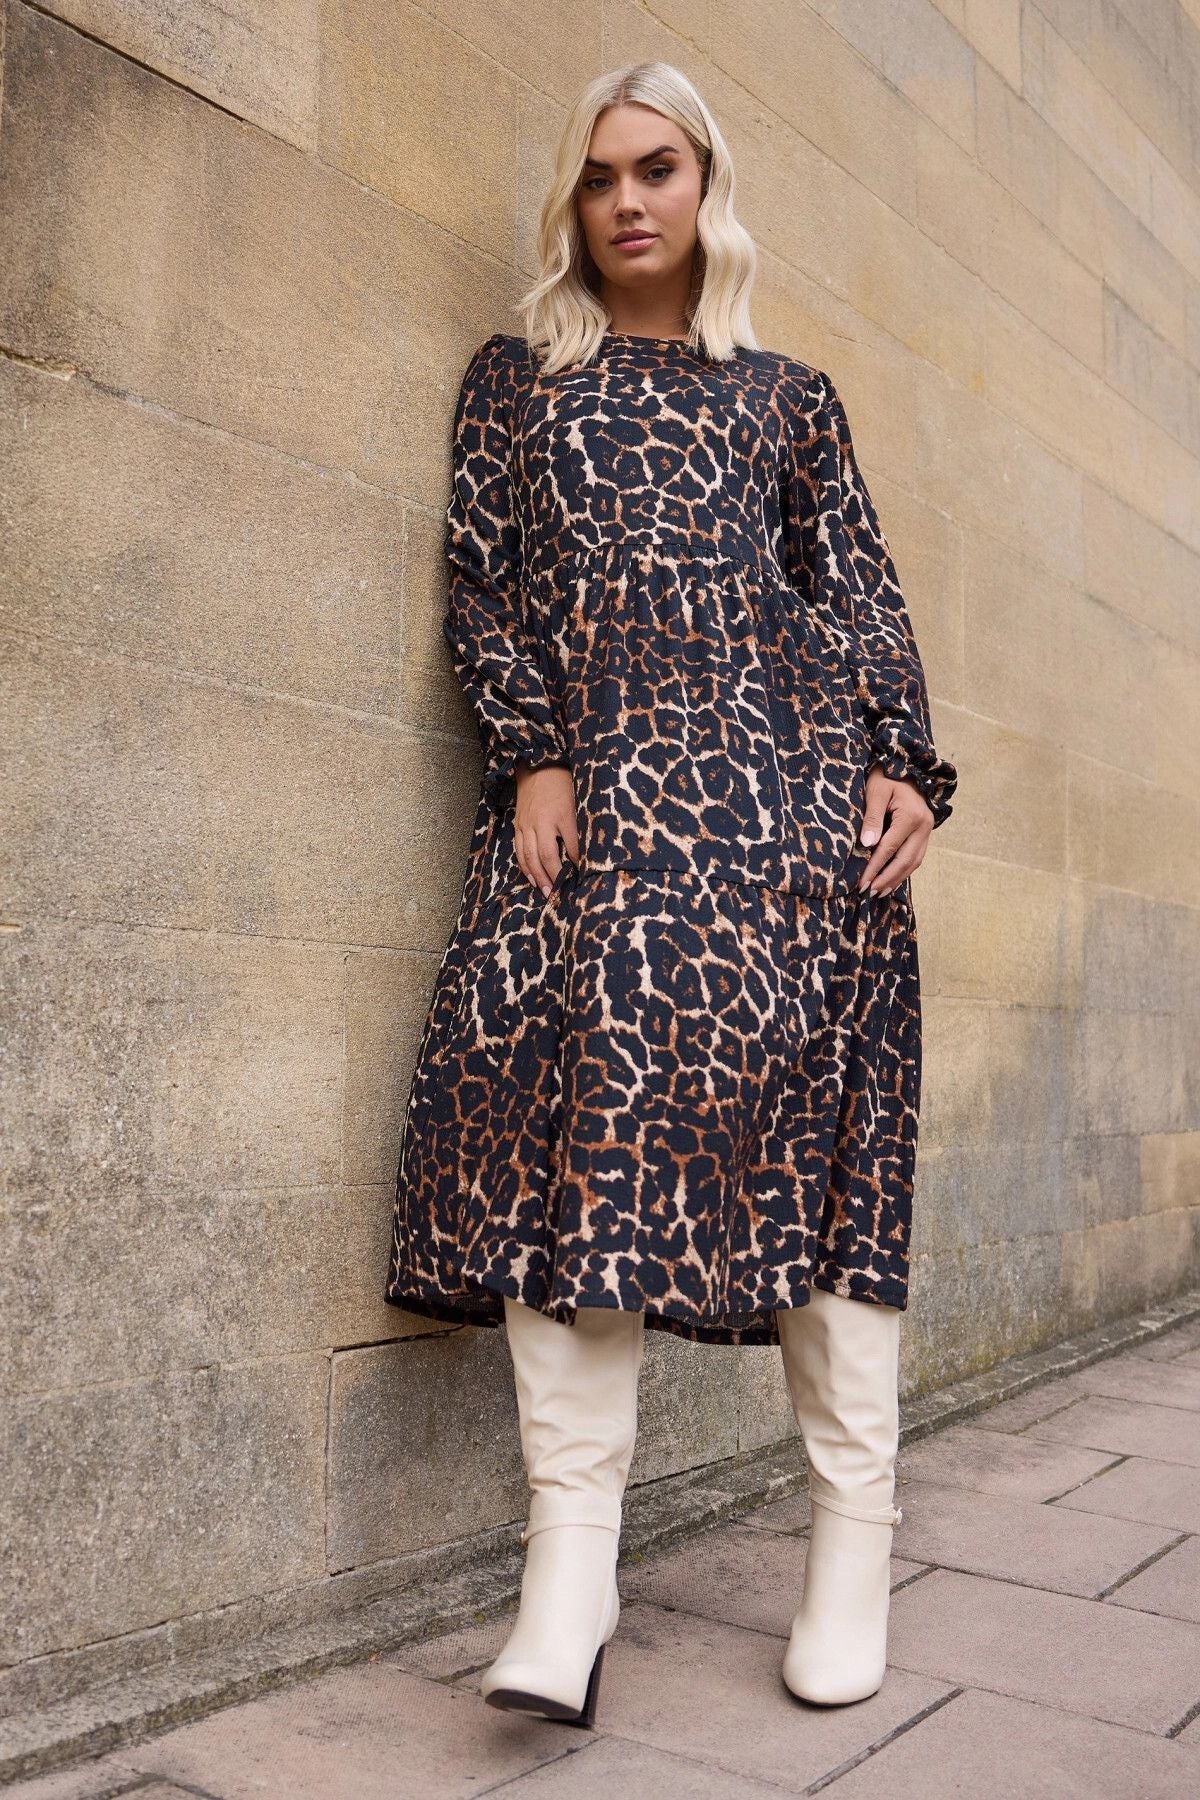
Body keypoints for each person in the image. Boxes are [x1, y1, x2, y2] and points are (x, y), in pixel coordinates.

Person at [385, 60, 958, 1726]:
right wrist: (533, 751)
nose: (627, 199)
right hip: (593, 830)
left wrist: (907, 767)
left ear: (708, 186)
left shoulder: (790, 398)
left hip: (787, 838)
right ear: (571, 204)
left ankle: (852, 1542)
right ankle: (571, 1574)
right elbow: (480, 584)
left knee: (826, 1165)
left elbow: (858, 593)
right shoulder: (519, 383)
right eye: (598, 176)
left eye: (657, 168)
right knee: (572, 1148)